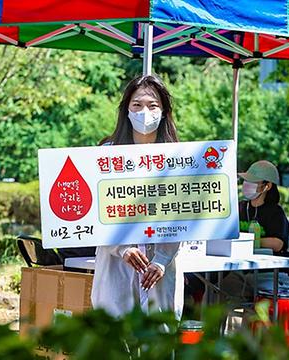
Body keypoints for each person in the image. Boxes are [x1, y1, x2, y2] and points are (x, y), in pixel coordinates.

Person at [91, 75, 183, 319]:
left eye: (153, 106)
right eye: (137, 105)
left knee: (159, 341)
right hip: (115, 269)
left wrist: (162, 259)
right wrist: (123, 248)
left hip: (159, 272)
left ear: (164, 111)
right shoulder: (106, 153)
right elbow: (95, 213)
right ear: (126, 110)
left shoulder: (179, 157)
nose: (145, 112)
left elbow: (183, 216)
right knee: (115, 342)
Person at [222, 160, 289, 300]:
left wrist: (247, 241)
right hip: (242, 272)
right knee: (216, 291)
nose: (246, 185)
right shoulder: (239, 208)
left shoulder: (275, 213)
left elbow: (277, 243)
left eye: (253, 182)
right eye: (246, 181)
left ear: (267, 186)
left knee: (264, 306)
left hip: (272, 273)